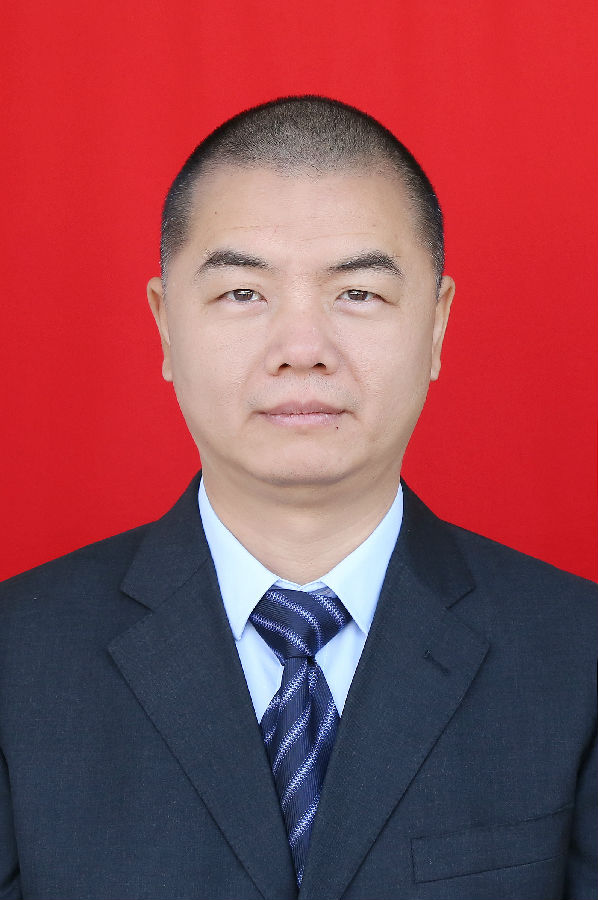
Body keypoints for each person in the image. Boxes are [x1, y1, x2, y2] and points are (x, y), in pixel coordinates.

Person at [0, 96, 595, 900]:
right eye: (243, 293)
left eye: (359, 293)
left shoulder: (579, 657)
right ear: (166, 325)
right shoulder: (17, 661)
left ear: (437, 324)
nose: (302, 349)